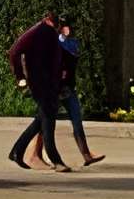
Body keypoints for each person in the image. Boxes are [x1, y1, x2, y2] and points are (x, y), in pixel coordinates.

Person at [22, 19, 104, 169]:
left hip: (67, 89)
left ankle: (86, 154)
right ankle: (34, 154)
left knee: (76, 119)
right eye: (65, 27)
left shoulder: (71, 44)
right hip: (54, 90)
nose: (68, 30)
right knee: (43, 122)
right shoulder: (52, 44)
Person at [6, 12, 67, 172]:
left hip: (50, 84)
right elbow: (14, 52)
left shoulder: (51, 33)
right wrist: (20, 76)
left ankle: (17, 151)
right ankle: (56, 160)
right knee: (48, 120)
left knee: (41, 119)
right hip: (39, 82)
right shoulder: (38, 31)